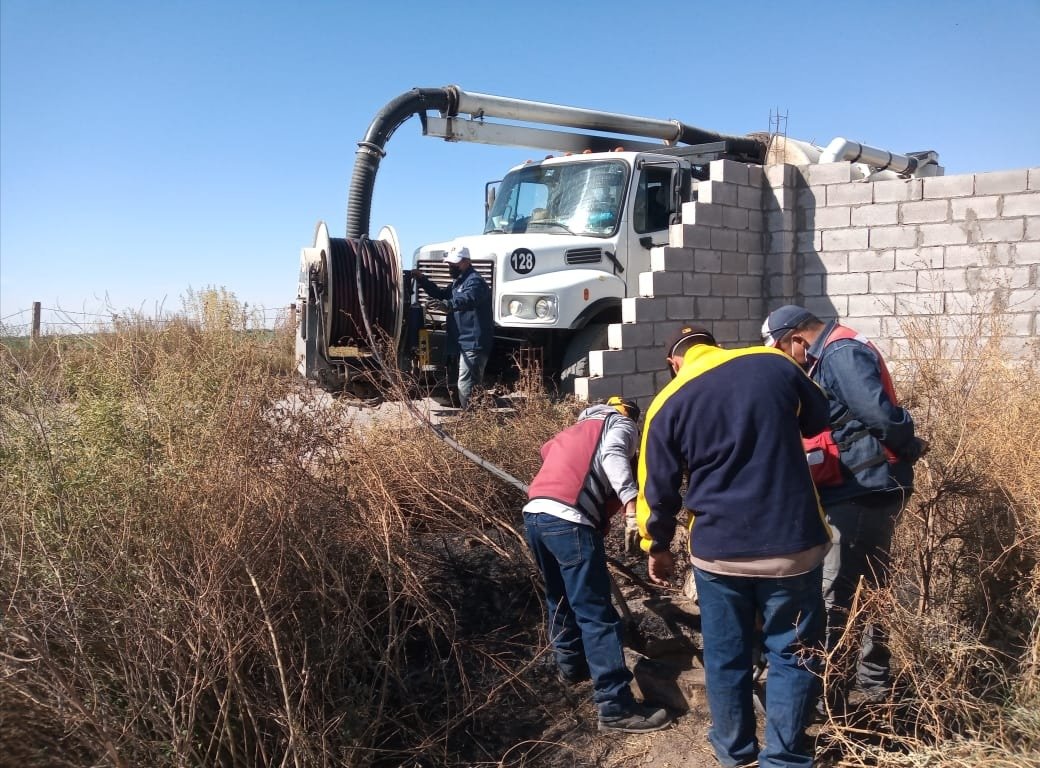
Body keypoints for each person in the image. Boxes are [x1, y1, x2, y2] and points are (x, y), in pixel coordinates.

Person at [636, 324, 831, 768]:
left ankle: (736, 755)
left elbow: (656, 490)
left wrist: (656, 545)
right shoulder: (773, 362)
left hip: (719, 553)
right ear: (715, 346)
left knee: (726, 657)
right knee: (794, 653)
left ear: (673, 363)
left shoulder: (668, 401)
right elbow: (819, 418)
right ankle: (784, 759)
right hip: (793, 544)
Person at [761, 305, 929, 713]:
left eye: (782, 351)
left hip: (862, 488)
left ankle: (827, 696)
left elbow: (877, 413)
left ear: (797, 338)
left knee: (836, 592)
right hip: (867, 486)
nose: (788, 361)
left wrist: (907, 445)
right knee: (872, 588)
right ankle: (874, 683)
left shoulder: (840, 353)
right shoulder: (835, 351)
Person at [523, 396, 672, 734]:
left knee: (559, 599)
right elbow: (613, 456)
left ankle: (573, 668)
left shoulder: (573, 431)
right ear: (630, 416)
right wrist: (631, 506)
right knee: (597, 616)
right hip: (569, 520)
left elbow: (548, 453)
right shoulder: (619, 424)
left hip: (535, 515)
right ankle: (615, 708)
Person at [412, 246, 493, 409]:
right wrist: (422, 279)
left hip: (472, 343)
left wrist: (448, 305)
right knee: (457, 383)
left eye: (454, 263)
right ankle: (469, 413)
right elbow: (441, 294)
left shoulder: (475, 282)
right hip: (459, 341)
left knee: (466, 384)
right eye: (449, 264)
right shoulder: (458, 282)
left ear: (467, 262)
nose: (450, 267)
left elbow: (468, 299)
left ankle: (473, 417)